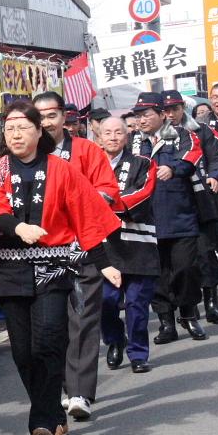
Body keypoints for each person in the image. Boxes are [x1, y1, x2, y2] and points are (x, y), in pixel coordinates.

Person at [0, 100, 121, 435]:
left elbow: (85, 214)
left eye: (23, 126)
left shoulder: (62, 169)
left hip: (53, 267)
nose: (15, 133)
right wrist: (17, 226)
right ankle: (54, 415)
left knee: (49, 341)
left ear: (40, 131)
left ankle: (40, 422)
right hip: (8, 269)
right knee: (23, 353)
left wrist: (103, 262)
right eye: (9, 128)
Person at [33, 91, 120, 421]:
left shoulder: (86, 150)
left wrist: (79, 202)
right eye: (38, 116)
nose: (45, 122)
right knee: (50, 325)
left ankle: (80, 391)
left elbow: (109, 190)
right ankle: (56, 387)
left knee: (84, 317)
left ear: (64, 117)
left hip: (83, 247)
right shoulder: (27, 155)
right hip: (40, 253)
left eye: (51, 114)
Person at [129, 92, 207, 343]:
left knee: (186, 268)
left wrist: (173, 169)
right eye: (138, 115)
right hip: (145, 218)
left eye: (146, 115)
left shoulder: (181, 134)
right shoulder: (132, 142)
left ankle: (188, 313)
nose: (141, 120)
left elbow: (192, 156)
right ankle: (165, 322)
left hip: (179, 214)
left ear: (162, 115)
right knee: (157, 275)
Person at [97, 117, 159, 374]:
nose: (113, 137)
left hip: (138, 243)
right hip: (104, 245)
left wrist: (106, 201)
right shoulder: (90, 166)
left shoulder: (143, 163)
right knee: (105, 301)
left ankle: (138, 352)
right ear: (98, 137)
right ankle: (114, 340)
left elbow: (143, 193)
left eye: (118, 132)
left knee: (136, 303)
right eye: (107, 133)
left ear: (127, 136)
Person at [162, 90, 218, 325]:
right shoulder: (157, 136)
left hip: (203, 200)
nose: (171, 114)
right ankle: (186, 306)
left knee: (206, 252)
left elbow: (217, 156)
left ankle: (211, 302)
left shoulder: (201, 129)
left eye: (175, 109)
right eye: (166, 110)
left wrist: (215, 176)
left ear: (182, 109)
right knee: (180, 261)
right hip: (173, 204)